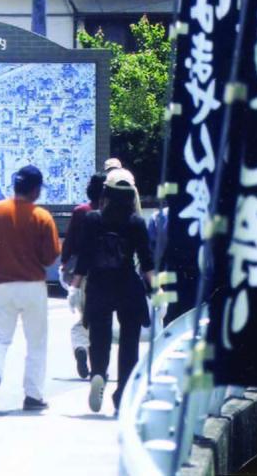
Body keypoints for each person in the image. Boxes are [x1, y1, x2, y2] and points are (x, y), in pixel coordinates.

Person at [0, 165, 61, 412]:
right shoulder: (42, 217)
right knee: (36, 342)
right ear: (35, 190)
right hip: (33, 286)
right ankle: (33, 396)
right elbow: (49, 257)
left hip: (2, 286)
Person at [71, 168, 155, 414]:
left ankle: (98, 372)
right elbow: (147, 263)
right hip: (128, 286)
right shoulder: (136, 222)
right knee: (129, 343)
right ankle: (123, 396)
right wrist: (158, 291)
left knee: (100, 337)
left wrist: (74, 288)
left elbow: (84, 258)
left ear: (105, 193)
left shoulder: (92, 219)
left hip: (99, 285)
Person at [61, 172, 107, 379]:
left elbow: (69, 242)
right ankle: (96, 362)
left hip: (81, 273)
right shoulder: (113, 213)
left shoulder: (81, 211)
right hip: (107, 273)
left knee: (84, 316)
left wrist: (64, 264)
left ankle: (80, 346)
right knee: (99, 319)